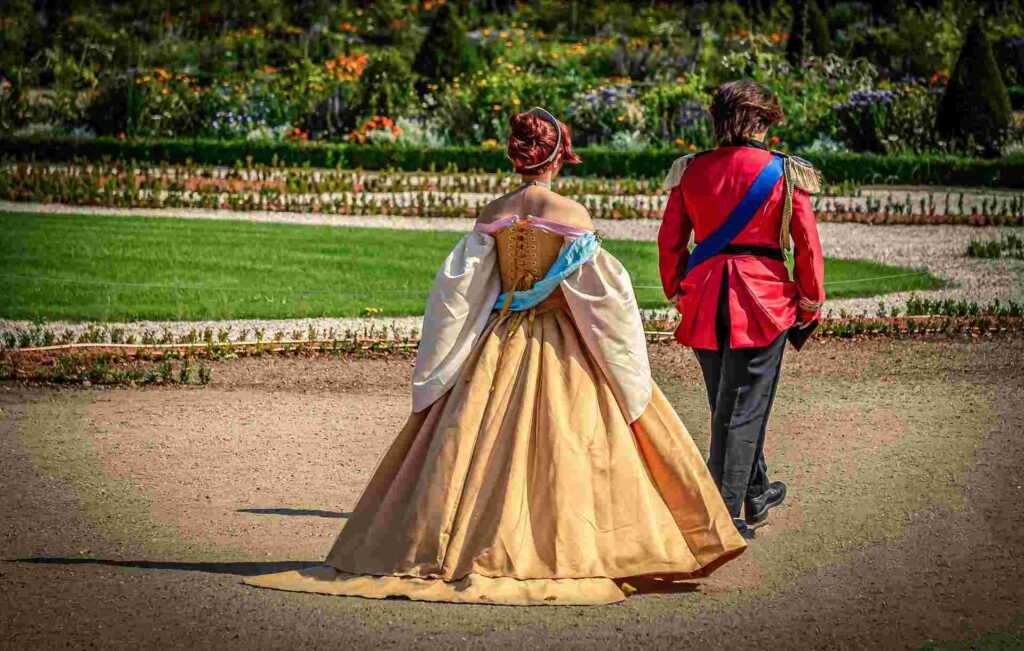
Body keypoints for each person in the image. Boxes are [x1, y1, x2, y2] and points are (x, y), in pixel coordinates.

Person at [244, 108, 746, 606]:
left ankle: (454, 543)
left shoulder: (491, 213)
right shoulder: (571, 215)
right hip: (560, 343)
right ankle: (568, 547)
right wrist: (624, 365)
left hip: (498, 339)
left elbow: (458, 293)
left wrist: (445, 361)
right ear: (558, 157)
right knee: (574, 446)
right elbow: (604, 302)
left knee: (469, 445)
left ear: (517, 155)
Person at [658, 81, 825, 539]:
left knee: (728, 402)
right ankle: (725, 513)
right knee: (743, 408)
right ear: (762, 121)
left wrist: (676, 290)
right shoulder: (784, 171)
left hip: (703, 297)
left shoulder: (691, 170)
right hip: (762, 300)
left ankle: (756, 492)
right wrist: (810, 301)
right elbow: (807, 244)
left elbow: (670, 240)